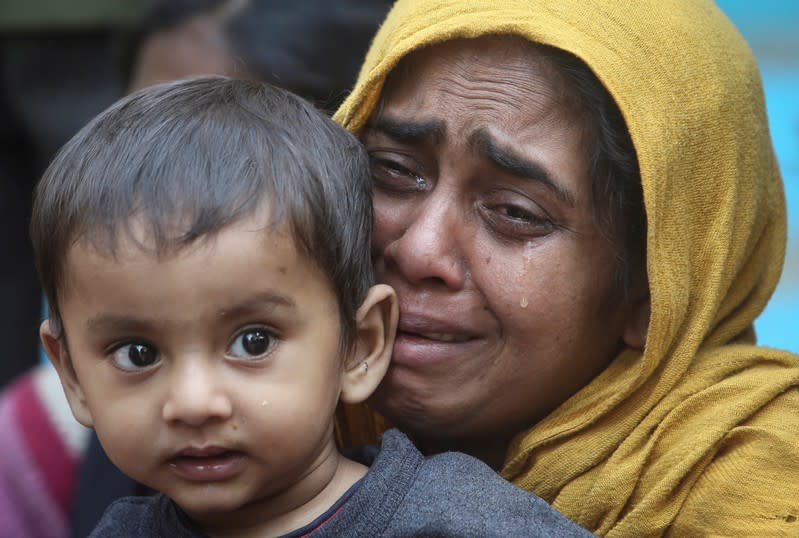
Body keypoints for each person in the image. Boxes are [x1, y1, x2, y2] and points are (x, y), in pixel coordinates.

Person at [32, 76, 591, 537]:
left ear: (360, 346)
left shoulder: (459, 522)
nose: (193, 403)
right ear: (73, 375)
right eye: (137, 353)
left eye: (253, 341)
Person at [332, 0, 799, 535]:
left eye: (514, 213)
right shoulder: (258, 422)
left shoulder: (763, 490)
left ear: (657, 292)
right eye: (392, 170)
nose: (418, 252)